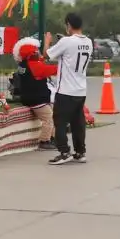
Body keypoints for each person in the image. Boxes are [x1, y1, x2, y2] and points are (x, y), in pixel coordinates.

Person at [45, 12, 94, 164]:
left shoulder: (66, 42)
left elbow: (47, 55)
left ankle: (64, 152)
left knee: (59, 121)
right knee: (78, 123)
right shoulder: (89, 42)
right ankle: (80, 152)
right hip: (81, 90)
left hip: (66, 90)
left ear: (68, 25)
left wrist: (47, 41)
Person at [9, 37, 58, 149]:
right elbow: (54, 69)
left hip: (29, 97)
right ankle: (44, 141)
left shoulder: (24, 65)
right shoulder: (35, 66)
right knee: (49, 118)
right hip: (37, 99)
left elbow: (40, 60)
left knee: (52, 115)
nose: (38, 53)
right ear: (30, 55)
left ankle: (52, 138)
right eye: (35, 51)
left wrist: (46, 44)